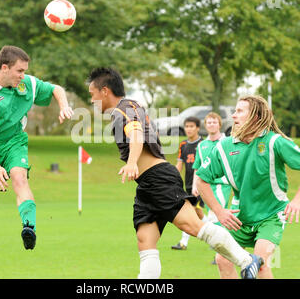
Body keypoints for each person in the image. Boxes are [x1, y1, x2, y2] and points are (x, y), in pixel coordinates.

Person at [87, 67, 263, 279]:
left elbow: (135, 134)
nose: (91, 100)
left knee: (193, 226)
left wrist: (132, 162)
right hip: (147, 185)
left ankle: (246, 260)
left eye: (92, 94)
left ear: (104, 91)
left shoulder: (124, 108)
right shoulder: (128, 107)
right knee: (145, 240)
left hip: (158, 178)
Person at [196, 95, 300, 278]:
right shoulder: (224, 146)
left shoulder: (274, 141)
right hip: (241, 216)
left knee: (258, 263)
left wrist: (298, 200)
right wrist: (219, 211)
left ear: (255, 117)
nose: (234, 116)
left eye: (239, 111)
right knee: (223, 260)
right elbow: (201, 180)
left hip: (271, 215)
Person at [0, 45, 73, 250]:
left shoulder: (27, 84)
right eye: (20, 71)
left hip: (15, 141)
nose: (23, 76)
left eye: (25, 71)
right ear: (4, 68)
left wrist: (64, 105)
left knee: (19, 177)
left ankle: (29, 226)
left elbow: (55, 89)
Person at [191, 112, 233, 264]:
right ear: (205, 125)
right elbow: (198, 166)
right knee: (212, 219)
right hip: (206, 186)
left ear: (219, 124)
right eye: (209, 122)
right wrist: (195, 185)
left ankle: (223, 254)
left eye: (214, 122)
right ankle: (224, 252)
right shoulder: (202, 145)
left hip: (222, 185)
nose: (211, 125)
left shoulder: (227, 142)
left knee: (218, 217)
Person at [171, 117, 204, 251]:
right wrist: (170, 177)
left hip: (201, 185)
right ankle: (217, 235)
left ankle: (183, 242)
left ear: (197, 128)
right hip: (188, 185)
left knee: (191, 211)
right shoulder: (183, 145)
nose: (189, 129)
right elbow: (180, 165)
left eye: (191, 126)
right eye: (187, 126)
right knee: (198, 213)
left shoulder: (203, 144)